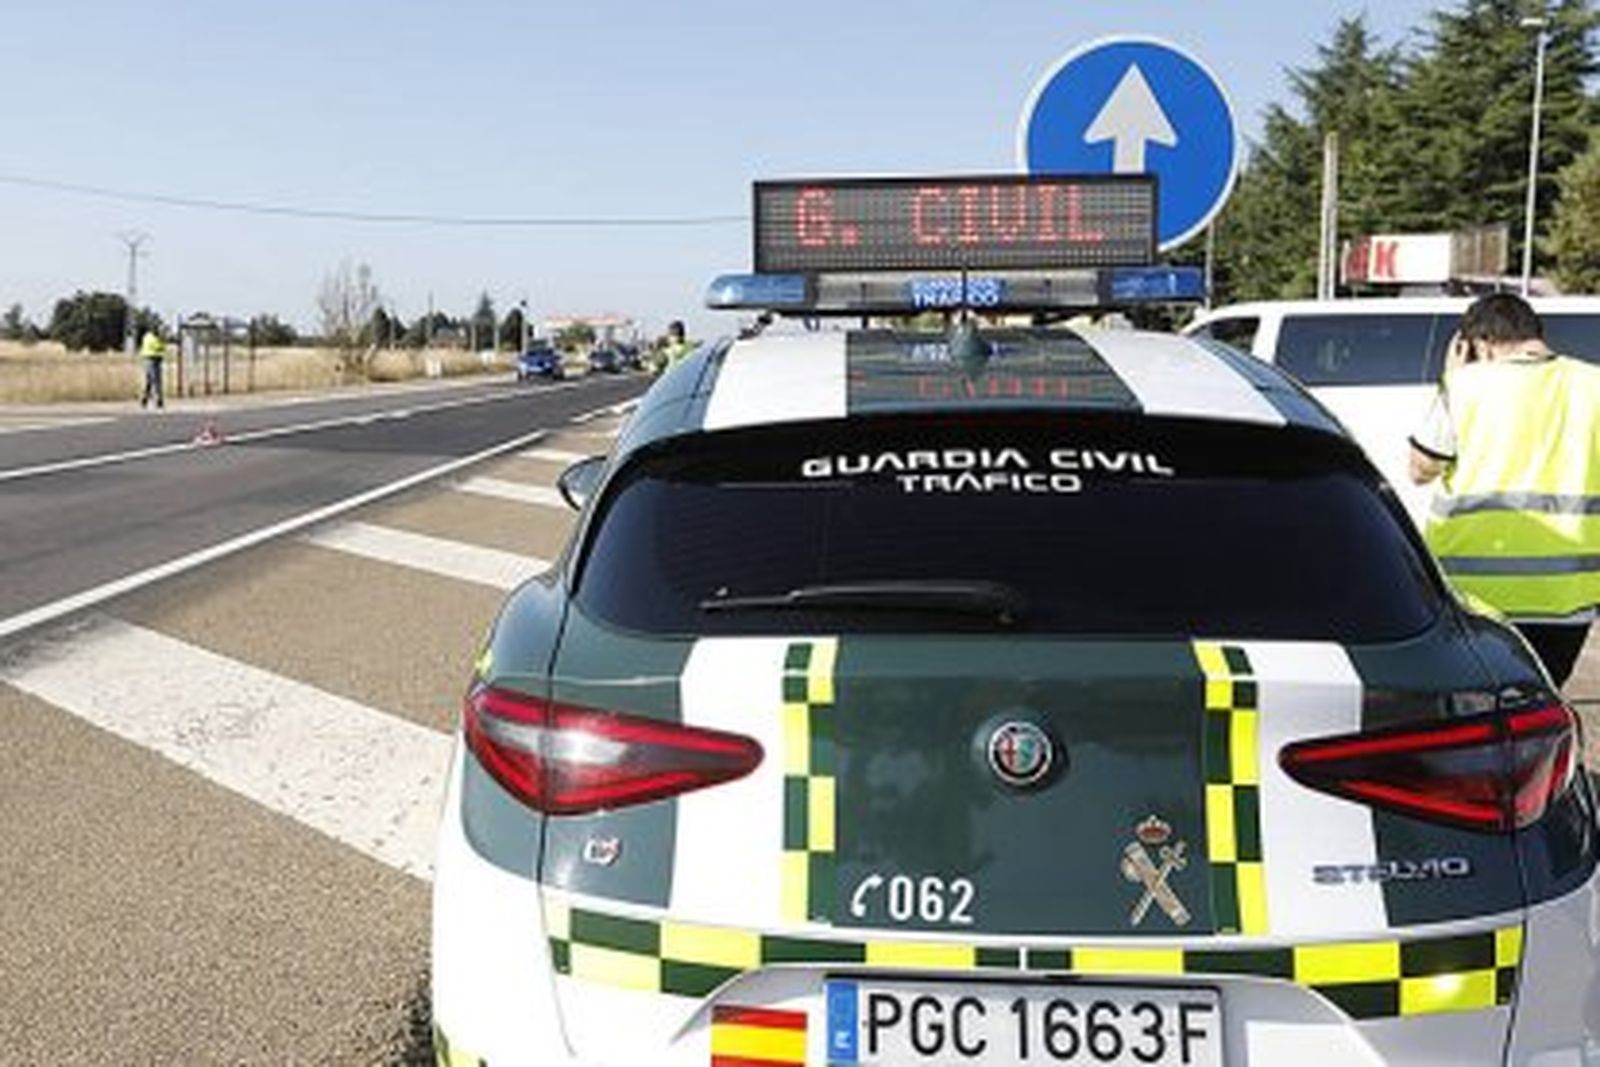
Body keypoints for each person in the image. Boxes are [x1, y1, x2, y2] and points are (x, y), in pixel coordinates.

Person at [1409, 292, 1600, 687]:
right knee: (1541, 700)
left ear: (1478, 344)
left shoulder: (1465, 387)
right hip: (1569, 597)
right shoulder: (1593, 384)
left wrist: (1451, 377)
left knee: (1477, 707)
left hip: (1475, 594)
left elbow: (1421, 469)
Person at [138, 328, 167, 409]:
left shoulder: (146, 337)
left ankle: (144, 399)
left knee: (148, 381)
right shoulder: (154, 338)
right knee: (156, 381)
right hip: (153, 359)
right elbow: (160, 347)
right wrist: (162, 342)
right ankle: (158, 401)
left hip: (147, 360)